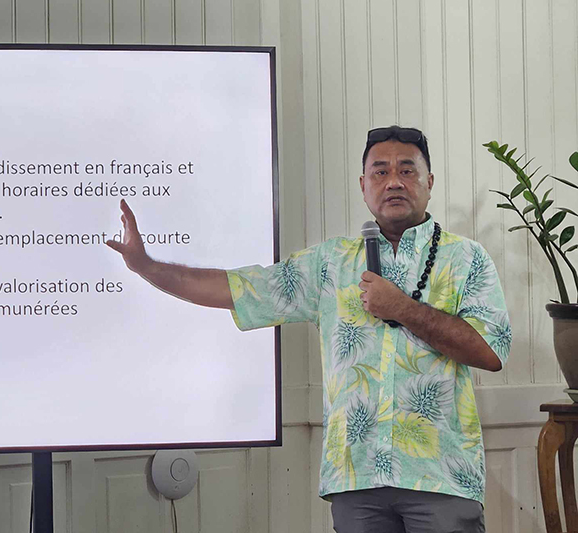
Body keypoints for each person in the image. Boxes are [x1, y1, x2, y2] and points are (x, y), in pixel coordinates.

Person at [106, 126, 511, 533]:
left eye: (407, 171)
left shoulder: (466, 258)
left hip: (441, 476)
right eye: (379, 172)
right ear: (363, 185)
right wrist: (147, 267)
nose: (393, 182)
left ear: (429, 182)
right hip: (357, 477)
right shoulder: (330, 263)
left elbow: (489, 351)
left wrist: (403, 308)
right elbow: (241, 288)